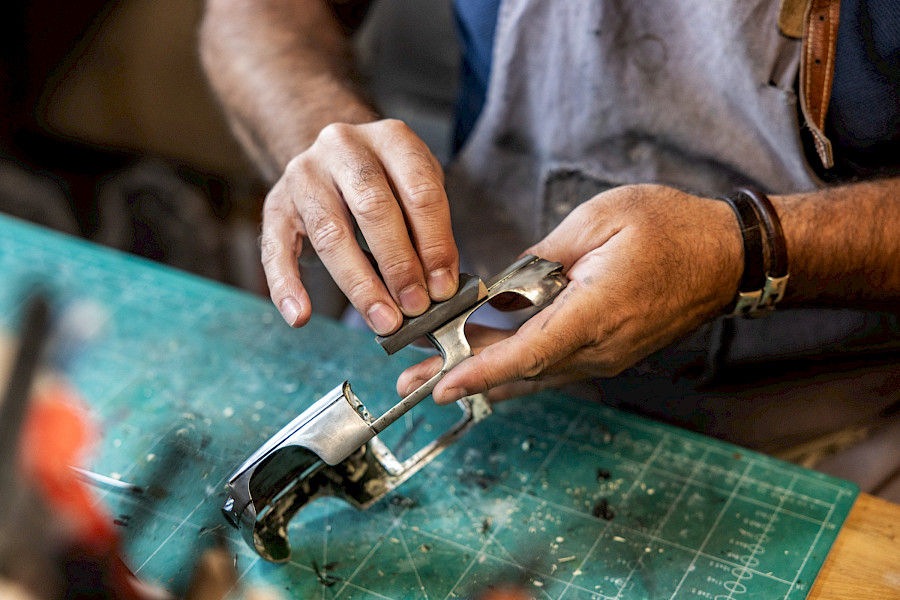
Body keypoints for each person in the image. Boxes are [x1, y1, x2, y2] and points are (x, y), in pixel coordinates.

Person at [200, 0, 900, 494]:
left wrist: (747, 249)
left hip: (811, 427)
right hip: (457, 362)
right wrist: (321, 132)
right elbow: (251, 14)